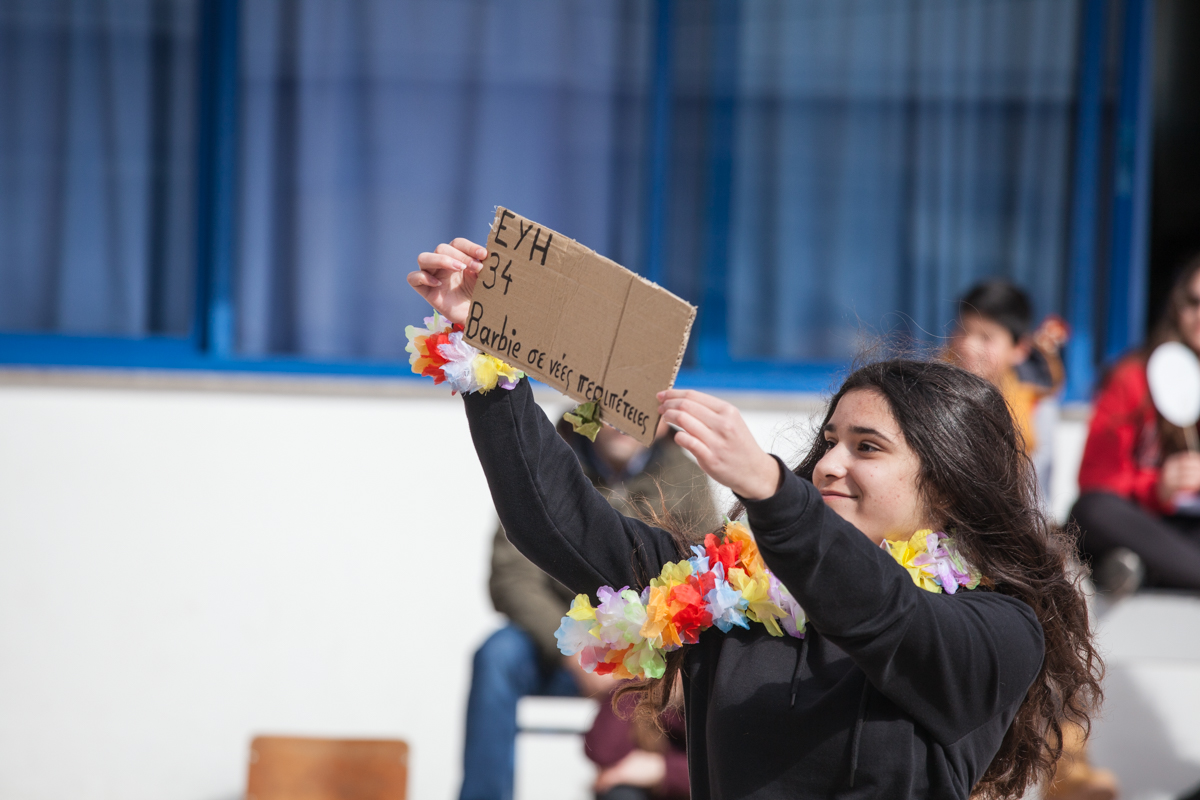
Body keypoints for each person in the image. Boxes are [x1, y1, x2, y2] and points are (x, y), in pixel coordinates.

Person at [410, 238, 1100, 799]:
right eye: (829, 442)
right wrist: (487, 359)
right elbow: (558, 523)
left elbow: (888, 616)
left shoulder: (1000, 627)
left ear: (947, 486)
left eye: (867, 448)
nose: (828, 465)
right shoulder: (730, 593)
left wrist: (774, 492)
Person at [461, 419, 715, 800]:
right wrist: (571, 650)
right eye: (613, 405)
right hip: (559, 647)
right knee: (497, 655)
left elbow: (703, 583)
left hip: (648, 659)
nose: (622, 422)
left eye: (638, 405)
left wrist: (642, 655)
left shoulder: (686, 478)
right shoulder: (544, 461)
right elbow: (512, 577)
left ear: (663, 419)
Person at [1072, 252, 1200, 594]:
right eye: (1193, 302)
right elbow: (1095, 480)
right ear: (1177, 307)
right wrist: (1157, 488)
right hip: (1145, 525)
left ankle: (1150, 571)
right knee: (1091, 512)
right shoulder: (1134, 377)